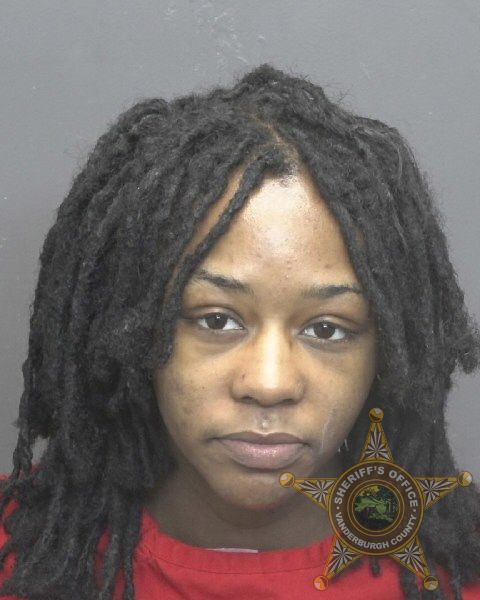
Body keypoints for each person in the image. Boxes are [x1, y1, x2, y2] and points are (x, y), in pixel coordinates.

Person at [0, 64, 479, 600]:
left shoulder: (458, 575)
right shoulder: (21, 557)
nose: (270, 384)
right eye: (217, 320)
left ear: (390, 353)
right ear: (128, 328)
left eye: (327, 328)